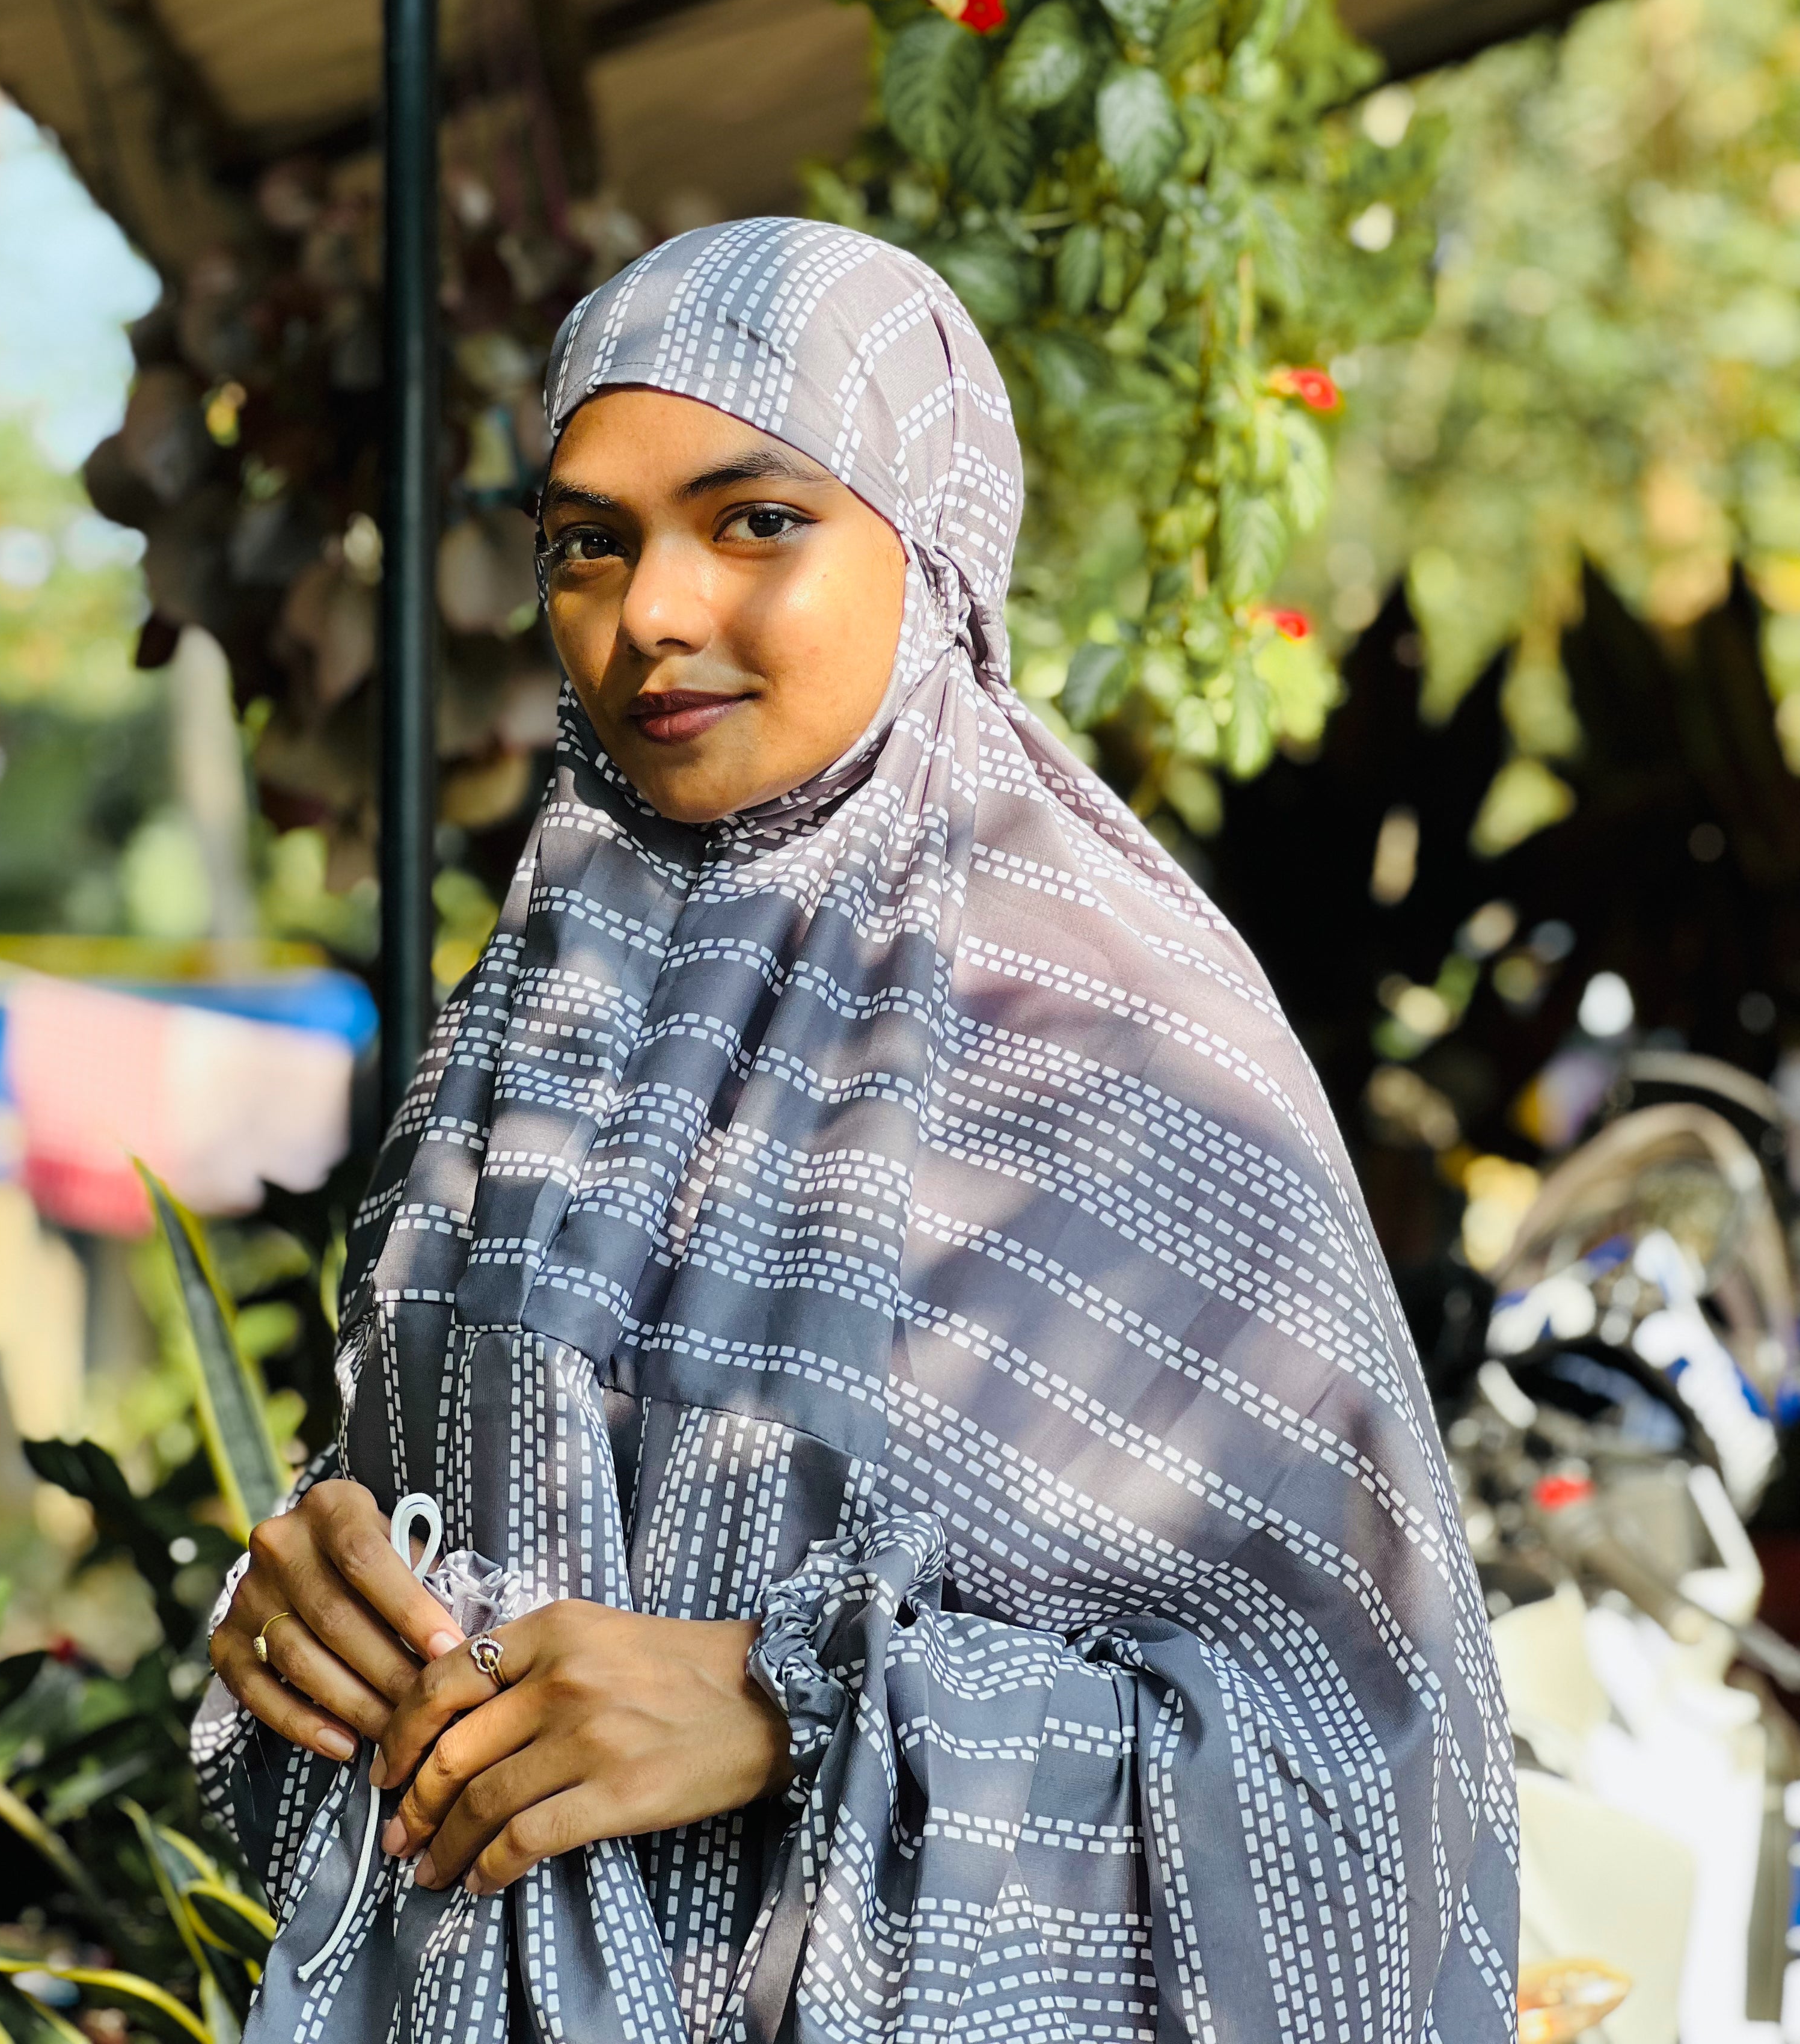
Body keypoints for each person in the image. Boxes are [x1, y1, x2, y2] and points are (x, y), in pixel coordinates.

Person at [194, 218, 1517, 2043]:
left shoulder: (1122, 1050)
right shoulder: (531, 1019)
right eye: (587, 543)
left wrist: (791, 1713)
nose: (653, 613)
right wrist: (306, 1602)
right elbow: (439, 1531)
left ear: (932, 539)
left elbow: (1363, 1788)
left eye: (755, 520)